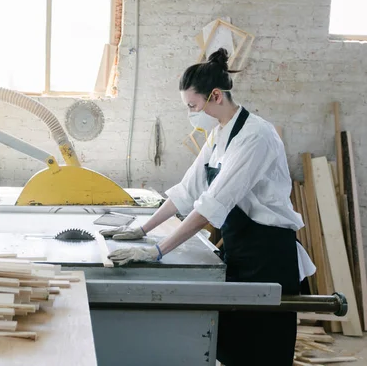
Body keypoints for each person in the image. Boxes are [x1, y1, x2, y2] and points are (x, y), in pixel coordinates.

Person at [101, 48, 315, 366]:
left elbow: (213, 205)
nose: (191, 113)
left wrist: (157, 251)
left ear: (215, 95)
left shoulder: (256, 137)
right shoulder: (218, 135)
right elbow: (188, 191)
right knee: (233, 346)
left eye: (192, 106)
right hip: (240, 251)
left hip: (268, 255)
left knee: (263, 350)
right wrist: (140, 230)